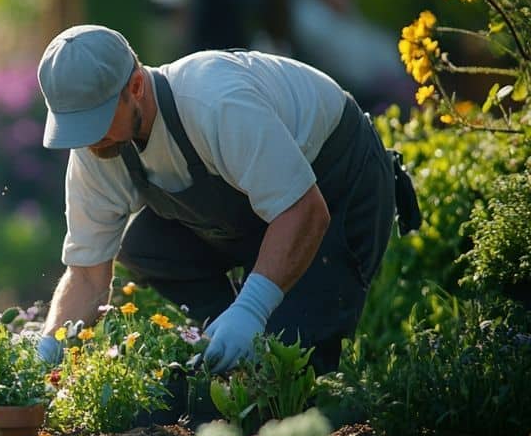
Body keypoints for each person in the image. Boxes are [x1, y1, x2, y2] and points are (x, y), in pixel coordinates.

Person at [34, 24, 420, 375]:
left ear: (135, 86)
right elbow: (86, 273)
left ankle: (265, 338)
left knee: (291, 369)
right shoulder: (96, 145)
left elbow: (304, 211)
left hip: (336, 189)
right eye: (75, 124)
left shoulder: (214, 101)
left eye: (95, 120)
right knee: (145, 248)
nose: (86, 139)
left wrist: (252, 309)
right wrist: (50, 347)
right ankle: (231, 345)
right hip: (262, 207)